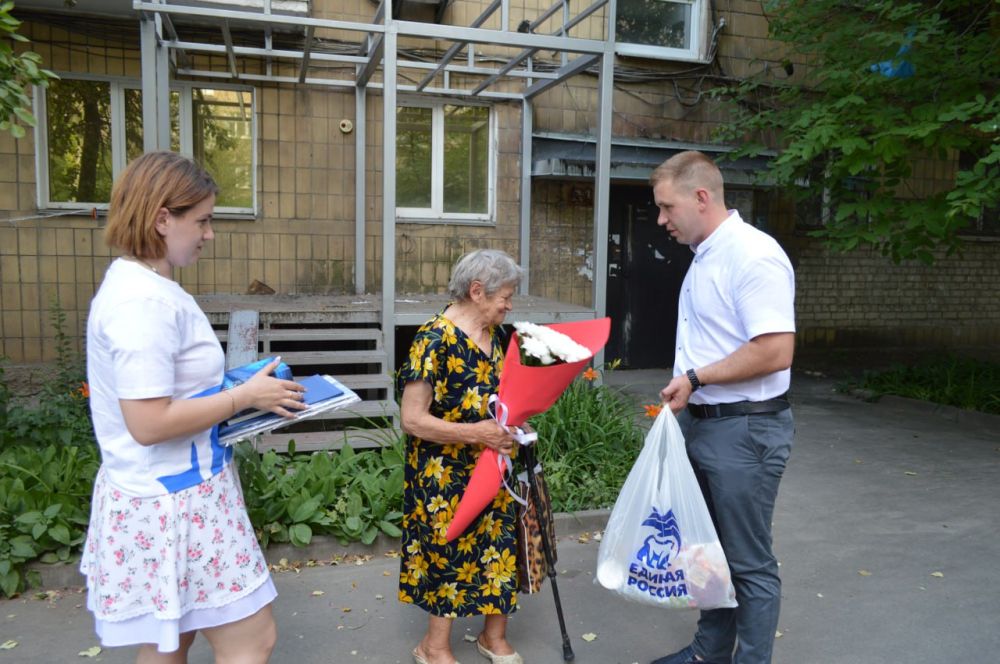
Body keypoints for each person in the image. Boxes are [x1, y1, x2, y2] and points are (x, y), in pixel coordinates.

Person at [81, 151, 308, 663]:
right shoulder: (143, 304)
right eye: (202, 221)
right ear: (162, 218)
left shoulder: (142, 286)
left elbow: (170, 393)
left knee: (170, 639)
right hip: (176, 502)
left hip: (169, 493)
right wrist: (244, 397)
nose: (210, 234)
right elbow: (147, 422)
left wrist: (239, 389)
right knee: (252, 639)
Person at [650, 151, 796, 664]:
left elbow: (775, 351)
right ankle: (707, 654)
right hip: (706, 423)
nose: (661, 219)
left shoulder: (753, 255)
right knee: (707, 554)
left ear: (701, 197)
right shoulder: (705, 254)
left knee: (748, 564)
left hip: (745, 431)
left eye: (667, 207)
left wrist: (695, 378)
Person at [397, 249, 526, 664]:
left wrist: (515, 424)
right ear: (477, 291)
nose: (509, 305)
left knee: (500, 545)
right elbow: (411, 419)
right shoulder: (433, 340)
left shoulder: (498, 337)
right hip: (443, 472)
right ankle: (432, 647)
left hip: (494, 462)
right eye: (505, 297)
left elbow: (505, 396)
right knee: (448, 552)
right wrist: (476, 434)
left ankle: (493, 636)